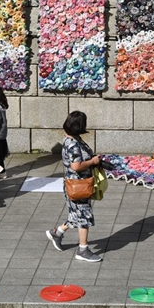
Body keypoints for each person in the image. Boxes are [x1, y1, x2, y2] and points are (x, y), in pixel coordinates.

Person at [45, 111, 102, 263]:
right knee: (84, 216)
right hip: (78, 185)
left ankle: (57, 233)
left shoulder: (71, 139)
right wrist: (93, 162)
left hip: (74, 184)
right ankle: (83, 250)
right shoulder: (73, 144)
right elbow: (76, 166)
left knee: (76, 214)